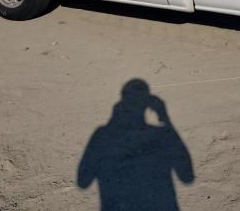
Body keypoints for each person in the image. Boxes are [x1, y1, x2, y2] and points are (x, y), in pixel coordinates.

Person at [78, 79, 194, 211]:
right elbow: (187, 177)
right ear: (147, 105)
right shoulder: (162, 136)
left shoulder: (102, 136)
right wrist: (165, 118)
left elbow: (83, 181)